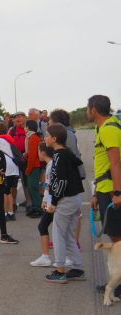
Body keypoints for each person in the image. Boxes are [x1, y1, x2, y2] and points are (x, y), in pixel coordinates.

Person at [86, 96, 121, 296]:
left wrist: (117, 192)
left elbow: (115, 163)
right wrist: (96, 194)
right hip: (104, 187)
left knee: (117, 238)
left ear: (94, 110)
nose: (87, 112)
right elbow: (104, 165)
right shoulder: (105, 127)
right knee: (114, 235)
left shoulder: (109, 129)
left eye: (87, 108)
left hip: (111, 189)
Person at [43, 124, 85, 283]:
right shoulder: (66, 154)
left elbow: (60, 181)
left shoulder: (60, 156)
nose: (45, 138)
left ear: (54, 139)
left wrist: (53, 201)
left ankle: (60, 270)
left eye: (47, 135)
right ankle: (78, 268)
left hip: (65, 199)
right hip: (74, 198)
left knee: (59, 234)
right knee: (67, 235)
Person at [31, 143, 56, 267]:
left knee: (43, 226)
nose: (37, 154)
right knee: (45, 226)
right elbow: (48, 185)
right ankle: (46, 256)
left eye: (38, 151)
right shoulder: (49, 165)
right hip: (50, 202)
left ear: (43, 153)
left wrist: (48, 202)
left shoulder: (51, 165)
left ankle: (46, 257)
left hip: (53, 204)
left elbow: (52, 186)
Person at [0, 122, 20, 221]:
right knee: (8, 192)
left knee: (3, 192)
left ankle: (3, 214)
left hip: (6, 168)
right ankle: (11, 213)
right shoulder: (9, 139)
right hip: (14, 168)